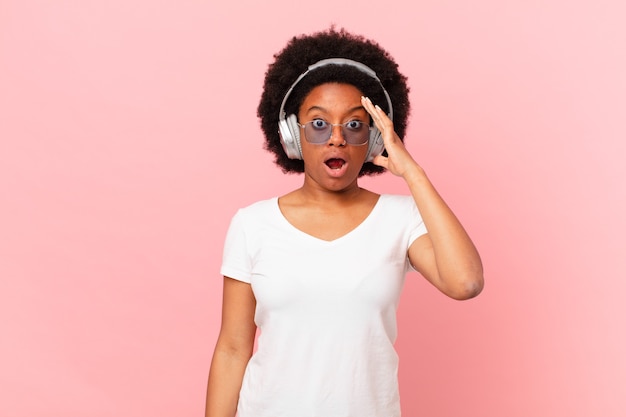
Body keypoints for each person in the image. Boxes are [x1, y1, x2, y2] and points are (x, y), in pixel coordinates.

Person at [205, 27, 484, 417]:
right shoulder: (252, 224)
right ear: (291, 136)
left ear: (372, 140)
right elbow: (233, 349)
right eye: (318, 124)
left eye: (354, 125)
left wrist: (413, 173)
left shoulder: (400, 219)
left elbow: (466, 282)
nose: (336, 139)